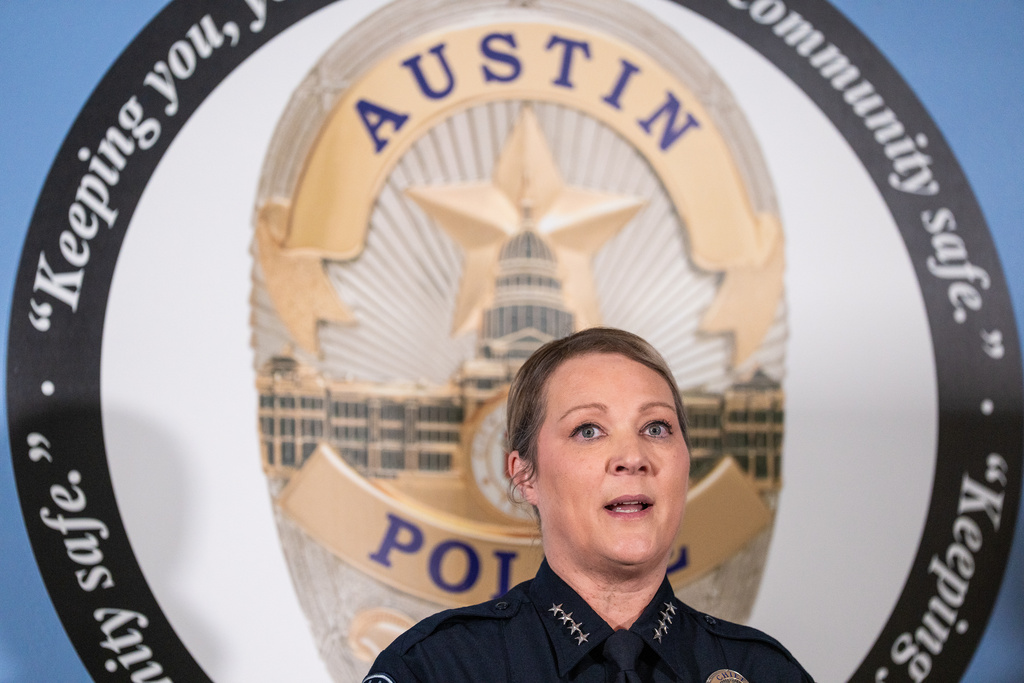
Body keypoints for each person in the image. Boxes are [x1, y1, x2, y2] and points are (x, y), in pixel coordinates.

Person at [364, 328, 813, 682]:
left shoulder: (764, 672)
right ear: (525, 475)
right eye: (588, 431)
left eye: (656, 428)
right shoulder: (437, 668)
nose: (633, 457)